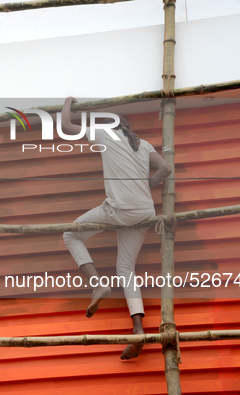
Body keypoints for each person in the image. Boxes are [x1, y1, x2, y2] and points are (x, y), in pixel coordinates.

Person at [60, 97, 171, 359]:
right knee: (125, 269)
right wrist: (145, 188)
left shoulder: (103, 134)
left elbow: (65, 125)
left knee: (71, 234)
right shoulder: (143, 145)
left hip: (119, 209)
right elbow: (165, 168)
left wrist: (67, 101)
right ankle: (138, 330)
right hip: (144, 212)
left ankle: (98, 284)